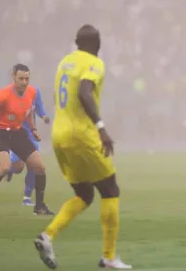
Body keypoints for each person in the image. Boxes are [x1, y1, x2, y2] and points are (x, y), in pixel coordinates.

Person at [33, 24, 131, 270]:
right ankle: (108, 257)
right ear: (97, 44)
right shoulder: (94, 63)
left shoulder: (64, 62)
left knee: (85, 194)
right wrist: (101, 128)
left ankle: (47, 236)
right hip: (81, 135)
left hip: (59, 135)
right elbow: (85, 92)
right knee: (110, 188)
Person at [0, 64, 53, 215]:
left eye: (27, 78)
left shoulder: (31, 92)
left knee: (40, 167)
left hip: (17, 132)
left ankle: (39, 207)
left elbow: (28, 112)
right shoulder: (3, 95)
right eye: (21, 78)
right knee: (4, 167)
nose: (24, 82)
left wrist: (33, 130)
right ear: (14, 77)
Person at [6, 87, 50, 206]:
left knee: (34, 165)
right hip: (16, 134)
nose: (24, 82)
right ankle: (9, 169)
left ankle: (27, 197)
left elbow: (39, 106)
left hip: (30, 135)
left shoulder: (35, 92)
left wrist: (44, 116)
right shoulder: (9, 93)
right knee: (18, 167)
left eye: (26, 78)